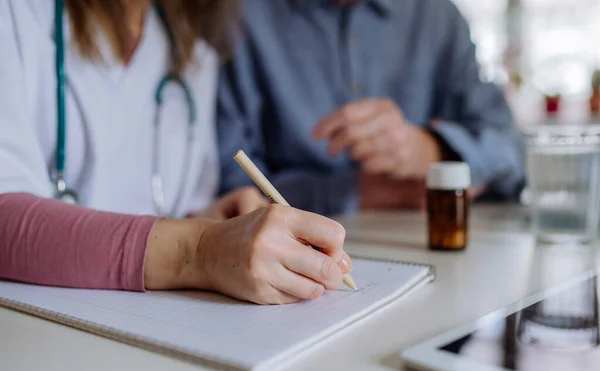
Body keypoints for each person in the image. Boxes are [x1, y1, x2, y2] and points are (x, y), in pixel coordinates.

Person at [0, 0, 352, 305]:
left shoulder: (189, 50)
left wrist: (209, 219)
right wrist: (198, 249)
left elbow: (161, 209)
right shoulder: (17, 13)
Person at [217, 0, 526, 216]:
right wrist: (366, 193)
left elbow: (513, 157)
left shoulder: (437, 16)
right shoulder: (239, 17)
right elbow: (232, 191)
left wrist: (429, 150)